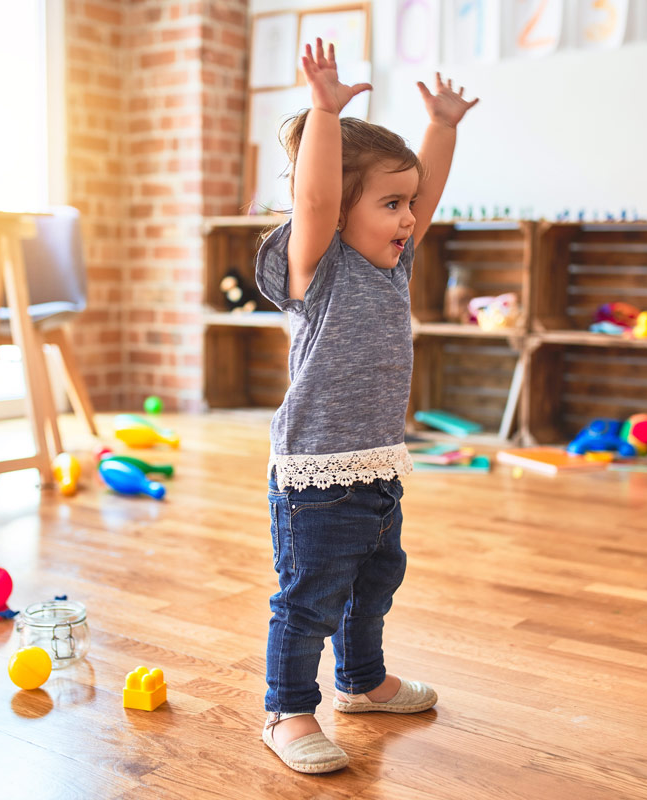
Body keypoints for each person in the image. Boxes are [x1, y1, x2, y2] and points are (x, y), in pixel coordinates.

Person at [253, 38, 479, 774]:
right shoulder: (317, 268)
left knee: (375, 581)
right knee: (310, 599)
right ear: (343, 211)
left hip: (377, 464)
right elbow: (316, 198)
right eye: (390, 204)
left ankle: (363, 683)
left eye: (407, 204)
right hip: (316, 474)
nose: (409, 218)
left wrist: (441, 128)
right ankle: (287, 712)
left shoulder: (393, 264)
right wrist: (324, 110)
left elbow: (430, 192)